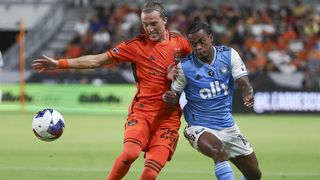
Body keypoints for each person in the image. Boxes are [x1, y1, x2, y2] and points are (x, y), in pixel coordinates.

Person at [32, 2, 191, 180]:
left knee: (150, 173)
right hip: (142, 113)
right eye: (145, 24)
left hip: (169, 118)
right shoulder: (135, 46)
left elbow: (199, 70)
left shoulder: (182, 45)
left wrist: (179, 75)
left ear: (165, 21)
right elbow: (97, 60)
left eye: (154, 23)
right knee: (130, 153)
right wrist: (60, 64)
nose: (149, 29)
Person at [163, 19, 262, 180]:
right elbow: (173, 98)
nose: (198, 47)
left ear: (211, 38)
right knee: (218, 150)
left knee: (254, 174)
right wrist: (169, 97)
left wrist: (247, 92)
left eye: (202, 42)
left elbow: (244, 83)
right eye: (193, 44)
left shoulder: (229, 55)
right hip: (199, 127)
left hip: (227, 125)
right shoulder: (184, 67)